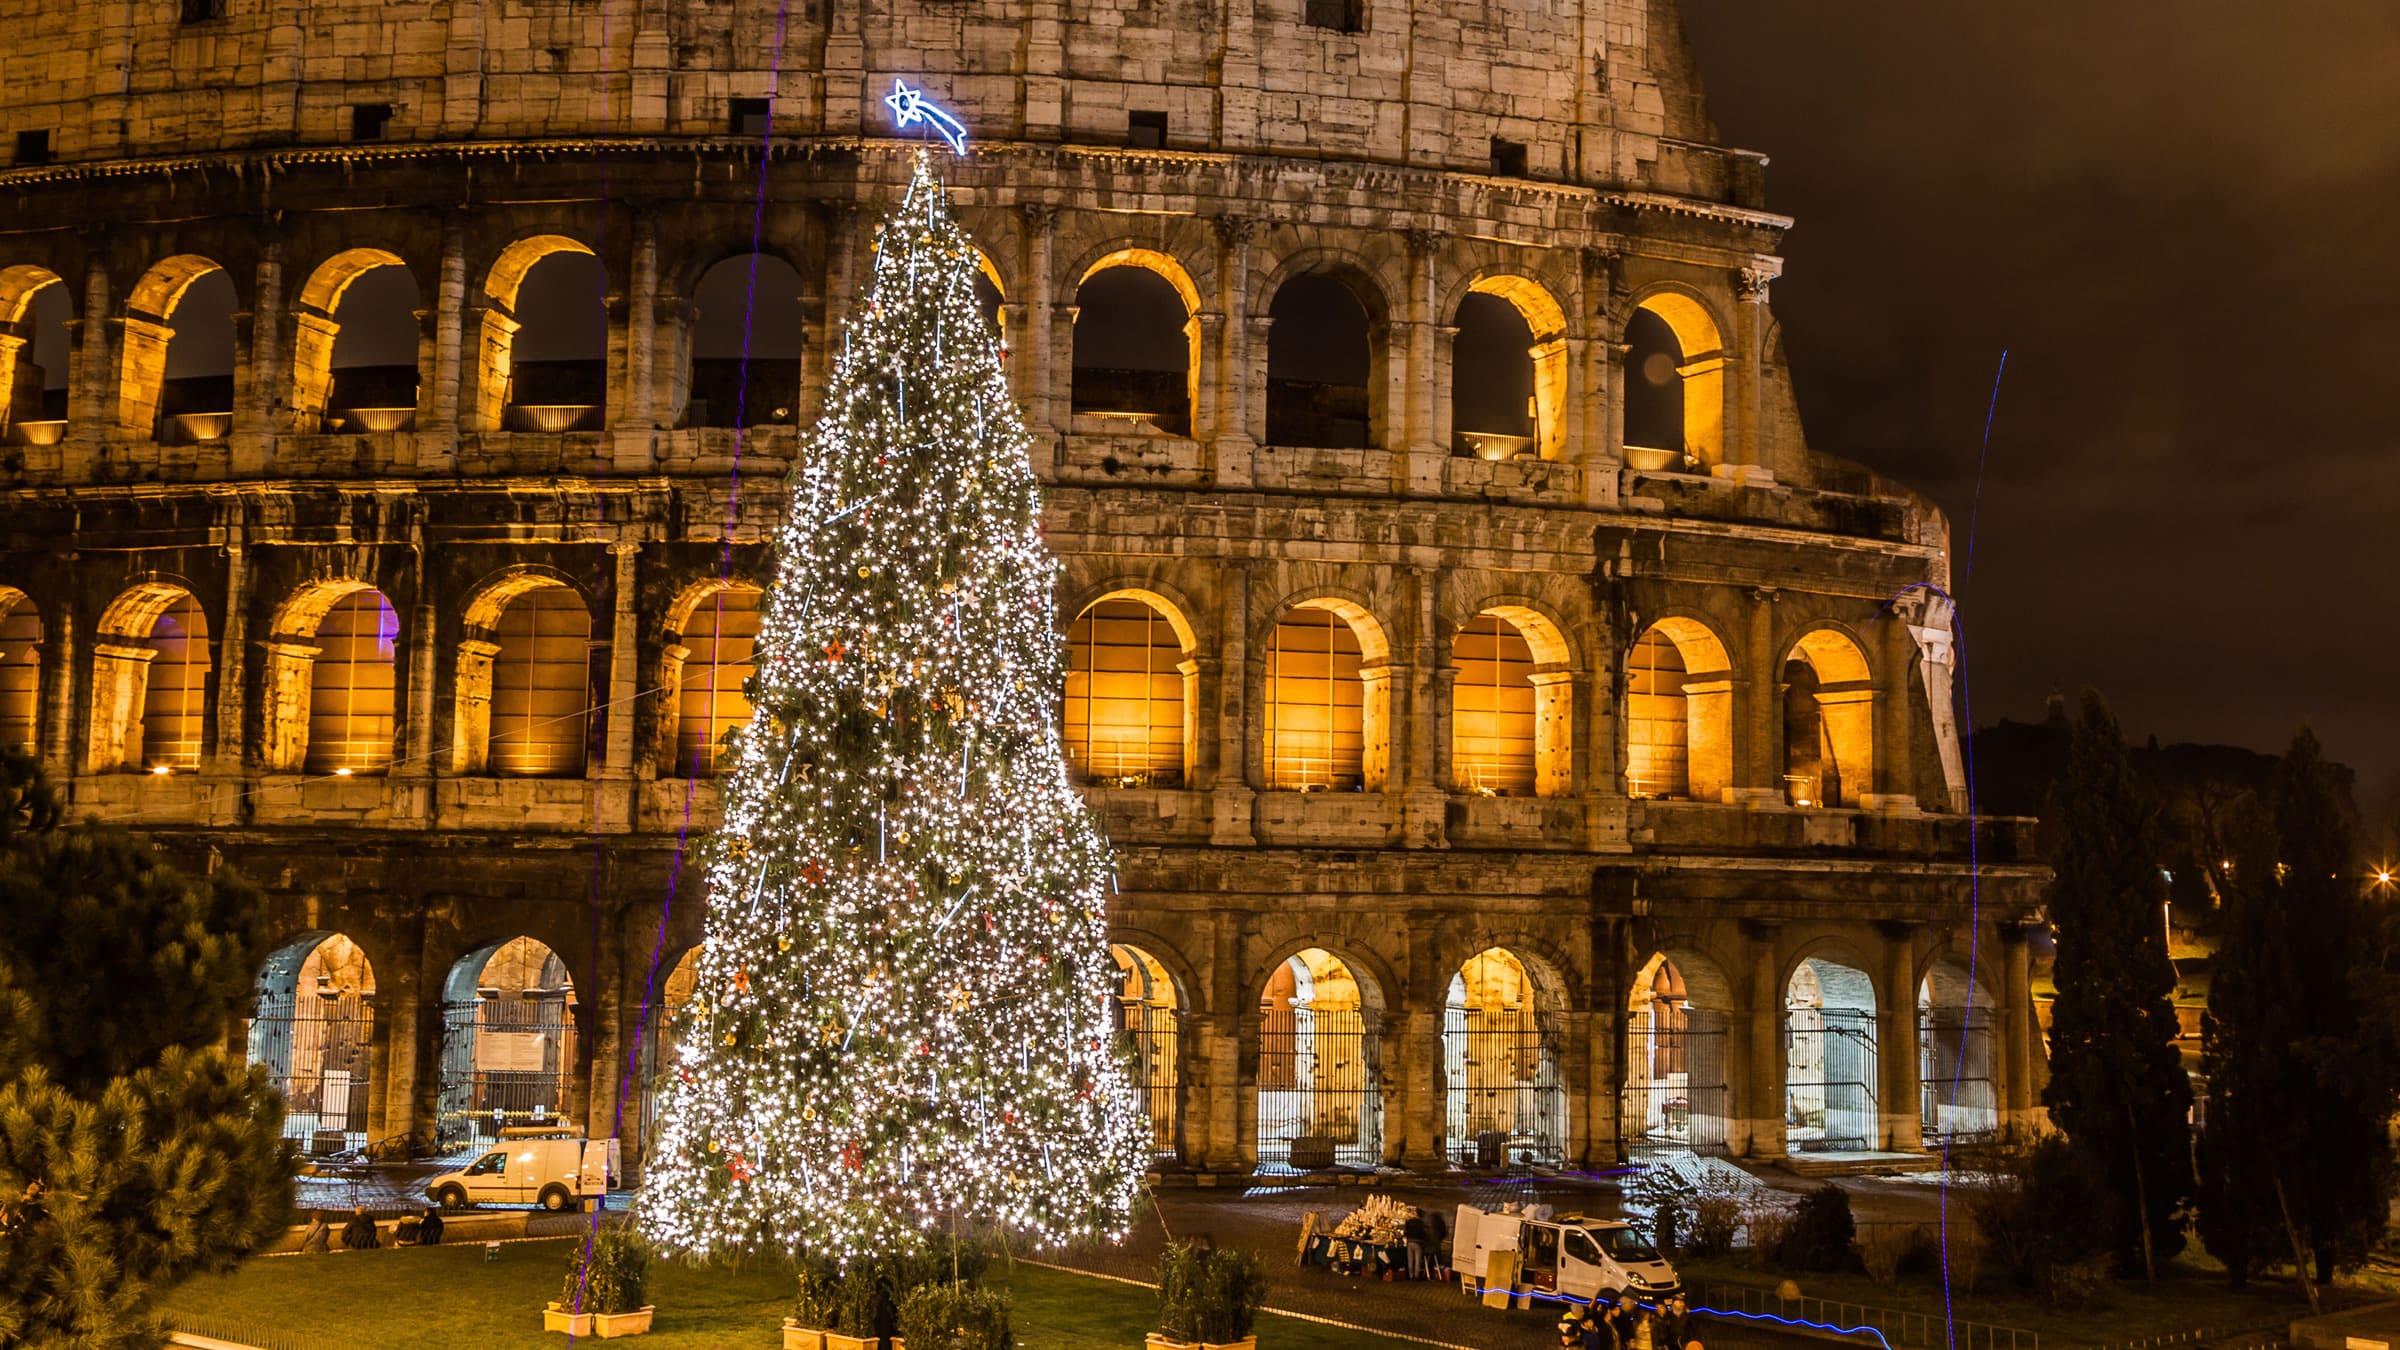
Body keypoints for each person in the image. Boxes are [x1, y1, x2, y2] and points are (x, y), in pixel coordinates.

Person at [1402, 1212, 1429, 1279]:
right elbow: (1423, 1233)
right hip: (1418, 1243)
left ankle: (1411, 1275)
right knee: (1417, 1260)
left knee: (1410, 1260)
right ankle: (1416, 1275)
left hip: (1410, 1242)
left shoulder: (1408, 1222)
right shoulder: (1420, 1223)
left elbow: (1405, 1232)